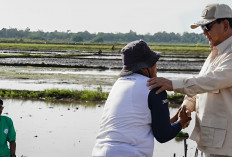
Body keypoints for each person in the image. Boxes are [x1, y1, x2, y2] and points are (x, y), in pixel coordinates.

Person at [147, 3, 232, 157]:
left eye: (207, 27)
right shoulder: (216, 53)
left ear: (225, 25)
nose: (204, 33)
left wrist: (172, 84)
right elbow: (201, 86)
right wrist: (187, 106)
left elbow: (212, 80)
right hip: (215, 142)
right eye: (202, 28)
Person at [92, 40, 191, 157]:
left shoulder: (118, 84)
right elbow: (163, 135)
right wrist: (181, 123)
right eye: (154, 63)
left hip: (99, 151)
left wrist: (175, 119)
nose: (156, 67)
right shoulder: (154, 88)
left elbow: (142, 125)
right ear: (145, 68)